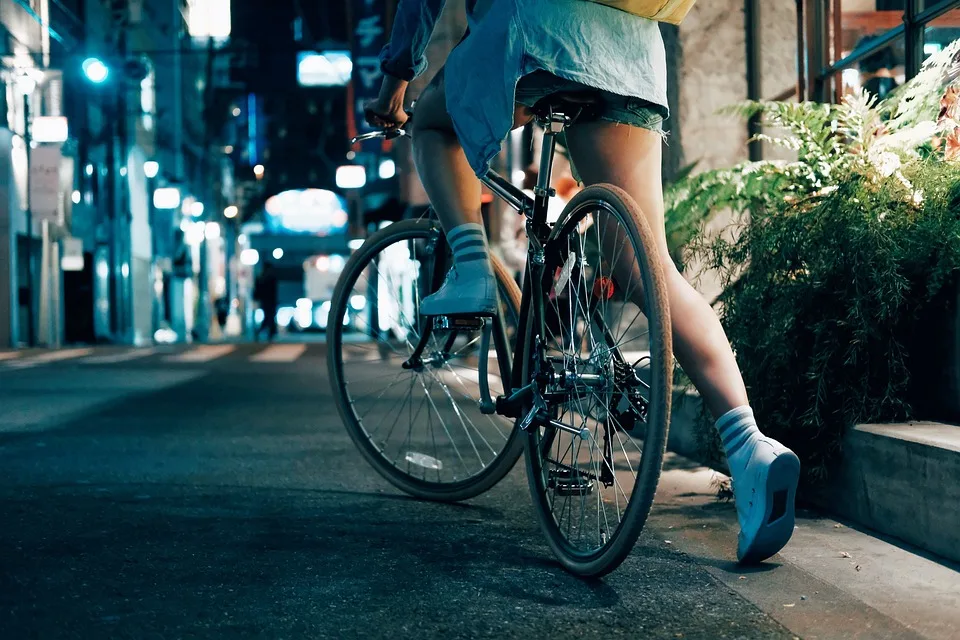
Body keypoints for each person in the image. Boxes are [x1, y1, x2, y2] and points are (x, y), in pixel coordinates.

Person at [366, 0, 800, 564]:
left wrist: (395, 80)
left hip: (539, 35)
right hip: (633, 49)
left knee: (431, 120)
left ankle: (471, 267)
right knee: (649, 269)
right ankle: (749, 447)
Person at [253, 260, 279, 341]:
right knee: (269, 317)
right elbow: (274, 291)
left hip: (265, 301)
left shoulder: (262, 278)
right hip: (270, 301)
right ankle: (269, 332)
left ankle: (269, 332)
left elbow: (258, 290)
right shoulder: (271, 278)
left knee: (268, 317)